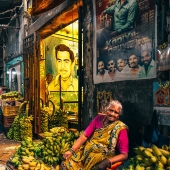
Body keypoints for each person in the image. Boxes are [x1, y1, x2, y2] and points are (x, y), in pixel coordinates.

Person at [60, 100, 129, 170]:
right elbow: (85, 135)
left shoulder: (121, 128)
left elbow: (124, 155)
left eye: (116, 112)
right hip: (85, 154)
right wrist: (72, 150)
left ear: (119, 115)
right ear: (106, 109)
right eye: (111, 110)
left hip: (102, 158)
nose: (112, 114)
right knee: (66, 163)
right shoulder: (98, 118)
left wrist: (107, 161)